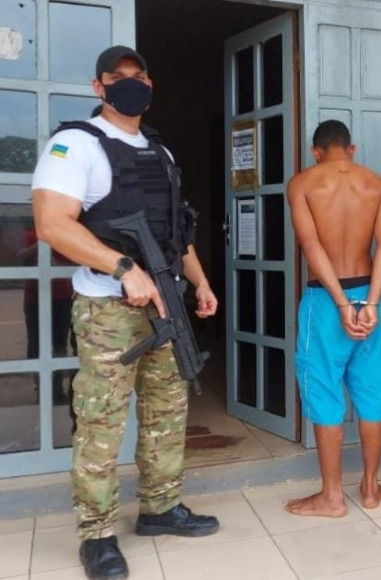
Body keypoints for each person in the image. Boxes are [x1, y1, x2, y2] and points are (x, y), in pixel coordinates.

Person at [31, 46, 219, 580]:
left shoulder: (160, 151)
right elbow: (52, 224)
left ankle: (160, 508)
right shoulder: (75, 144)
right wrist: (123, 269)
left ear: (150, 85)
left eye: (139, 77)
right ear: (99, 87)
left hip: (166, 302)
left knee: (167, 411)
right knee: (102, 421)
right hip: (107, 310)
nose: (130, 85)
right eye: (118, 78)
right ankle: (97, 534)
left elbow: (177, 232)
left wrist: (200, 282)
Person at [286, 120, 381, 516]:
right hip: (369, 295)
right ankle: (369, 488)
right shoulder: (375, 184)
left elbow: (310, 245)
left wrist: (340, 304)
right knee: (371, 390)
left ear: (316, 151)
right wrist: (370, 303)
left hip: (325, 300)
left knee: (324, 390)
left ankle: (332, 497)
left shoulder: (302, 183)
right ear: (351, 148)